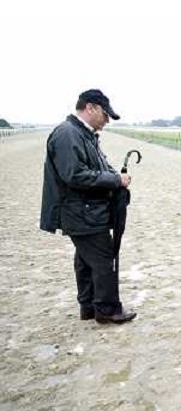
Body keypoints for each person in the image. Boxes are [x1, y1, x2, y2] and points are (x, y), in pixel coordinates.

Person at [40, 89, 136, 324]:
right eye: (105, 114)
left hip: (85, 210)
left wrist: (113, 176)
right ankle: (107, 309)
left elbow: (95, 166)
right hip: (81, 211)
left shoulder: (82, 134)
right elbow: (74, 175)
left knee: (85, 260)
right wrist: (115, 180)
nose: (107, 120)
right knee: (103, 258)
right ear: (90, 108)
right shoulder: (68, 134)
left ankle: (89, 307)